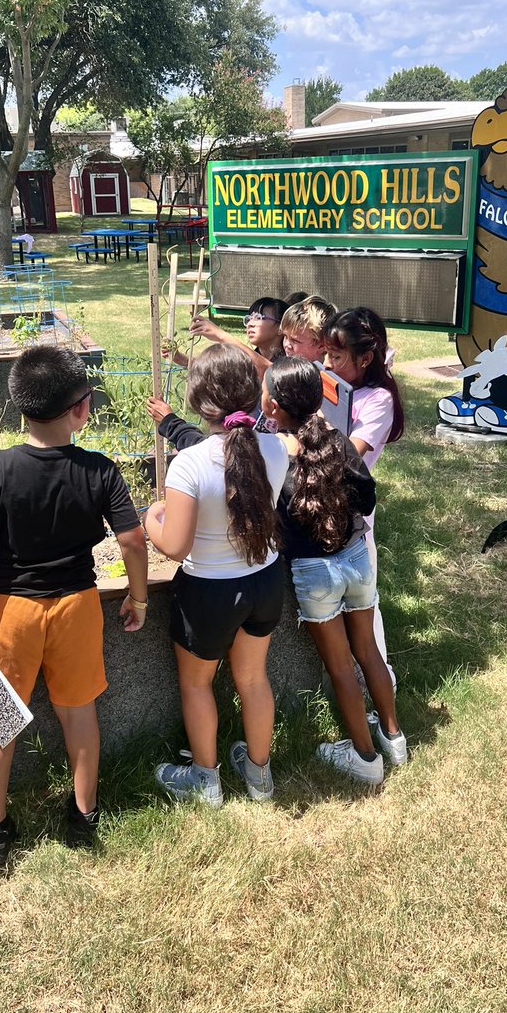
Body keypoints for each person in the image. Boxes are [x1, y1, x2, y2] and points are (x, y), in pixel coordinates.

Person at [0, 346, 148, 866]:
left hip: (8, 610)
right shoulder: (99, 470)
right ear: (81, 409)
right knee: (78, 712)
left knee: (0, 719)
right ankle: (85, 814)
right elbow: (132, 540)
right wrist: (138, 596)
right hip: (76, 606)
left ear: (20, 406)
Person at [144, 345, 289, 807]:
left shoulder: (188, 464)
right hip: (265, 582)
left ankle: (206, 782)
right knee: (253, 679)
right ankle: (260, 778)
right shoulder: (275, 446)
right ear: (253, 393)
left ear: (196, 399)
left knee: (196, 683)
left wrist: (151, 516)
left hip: (208, 593)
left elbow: (174, 545)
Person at [262, 356, 406, 783]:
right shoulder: (340, 442)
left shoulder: (272, 451)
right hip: (357, 558)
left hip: (313, 571)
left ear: (272, 406)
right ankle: (394, 739)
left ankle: (364, 759)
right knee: (368, 651)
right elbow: (367, 496)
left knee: (341, 665)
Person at [321, 308, 404, 694]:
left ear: (365, 358)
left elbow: (350, 454)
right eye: (326, 355)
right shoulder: (333, 382)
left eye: (336, 357)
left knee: (365, 612)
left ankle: (379, 690)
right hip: (320, 510)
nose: (327, 364)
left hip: (353, 518)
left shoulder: (379, 400)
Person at [175, 296, 287, 379]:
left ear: (281, 327)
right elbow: (219, 371)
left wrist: (220, 335)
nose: (250, 324)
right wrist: (181, 359)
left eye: (258, 318)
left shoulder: (289, 362)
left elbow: (269, 372)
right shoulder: (253, 356)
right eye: (249, 318)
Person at [280, 295, 335, 363]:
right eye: (285, 336)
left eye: (295, 341)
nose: (286, 345)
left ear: (321, 346)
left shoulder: (329, 373)